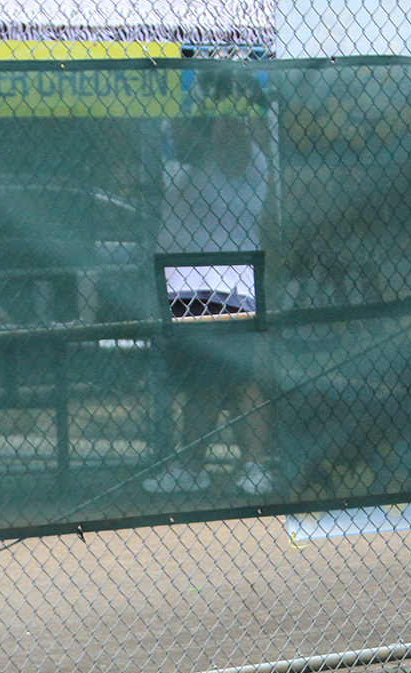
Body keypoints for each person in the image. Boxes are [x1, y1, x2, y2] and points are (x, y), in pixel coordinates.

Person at [144, 97, 274, 497]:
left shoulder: (243, 155)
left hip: (225, 273)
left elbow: (230, 135)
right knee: (203, 379)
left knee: (238, 376)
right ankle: (195, 467)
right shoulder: (178, 148)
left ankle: (252, 465)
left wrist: (206, 118)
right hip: (183, 275)